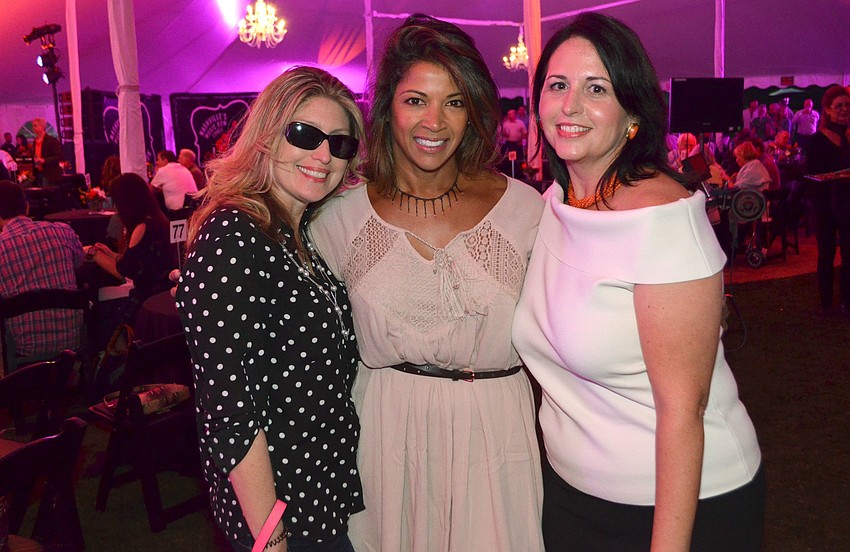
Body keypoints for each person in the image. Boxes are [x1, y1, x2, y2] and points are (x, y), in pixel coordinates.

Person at [513, 12, 764, 552]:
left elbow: (682, 412)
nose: (570, 105)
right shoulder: (557, 204)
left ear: (632, 112)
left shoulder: (663, 219)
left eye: (595, 88)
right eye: (558, 85)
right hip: (572, 494)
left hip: (679, 504)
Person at [310, 14, 545, 552]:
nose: (434, 121)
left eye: (454, 102)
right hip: (386, 433)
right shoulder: (338, 218)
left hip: (493, 432)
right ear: (387, 106)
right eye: (416, 100)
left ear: (474, 112)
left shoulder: (525, 211)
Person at [176, 66, 366, 552]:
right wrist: (270, 539)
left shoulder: (297, 233)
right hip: (278, 517)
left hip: (319, 500)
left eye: (340, 144)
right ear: (266, 136)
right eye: (305, 134)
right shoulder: (232, 237)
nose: (324, 155)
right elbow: (230, 412)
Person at [0, 180, 84, 362]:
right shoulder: (63, 232)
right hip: (73, 343)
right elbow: (79, 263)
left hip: (24, 351)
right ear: (27, 207)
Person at [82, 173, 176, 313]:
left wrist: (93, 253)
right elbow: (139, 261)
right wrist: (111, 254)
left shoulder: (142, 228)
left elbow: (124, 272)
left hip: (147, 301)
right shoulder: (160, 221)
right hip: (164, 295)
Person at [805, 85, 850, 317]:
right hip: (825, 205)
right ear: (828, 110)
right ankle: (825, 303)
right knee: (826, 254)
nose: (844, 110)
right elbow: (810, 176)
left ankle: (846, 302)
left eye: (847, 105)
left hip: (847, 205)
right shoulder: (817, 141)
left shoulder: (849, 137)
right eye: (839, 106)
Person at [31, 117, 63, 185]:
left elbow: (58, 156)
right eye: (33, 126)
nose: (33, 128)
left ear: (42, 126)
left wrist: (44, 160)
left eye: (35, 125)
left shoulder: (51, 140)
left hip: (49, 172)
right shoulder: (35, 141)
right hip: (38, 172)